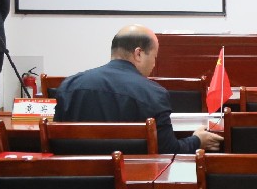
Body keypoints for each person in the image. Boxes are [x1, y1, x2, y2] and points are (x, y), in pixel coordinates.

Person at [54, 25, 222, 153]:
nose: (154, 64)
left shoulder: (69, 86)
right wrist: (197, 140)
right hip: (132, 184)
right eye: (154, 57)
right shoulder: (153, 94)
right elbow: (167, 152)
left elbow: (56, 142)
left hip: (72, 183)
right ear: (138, 53)